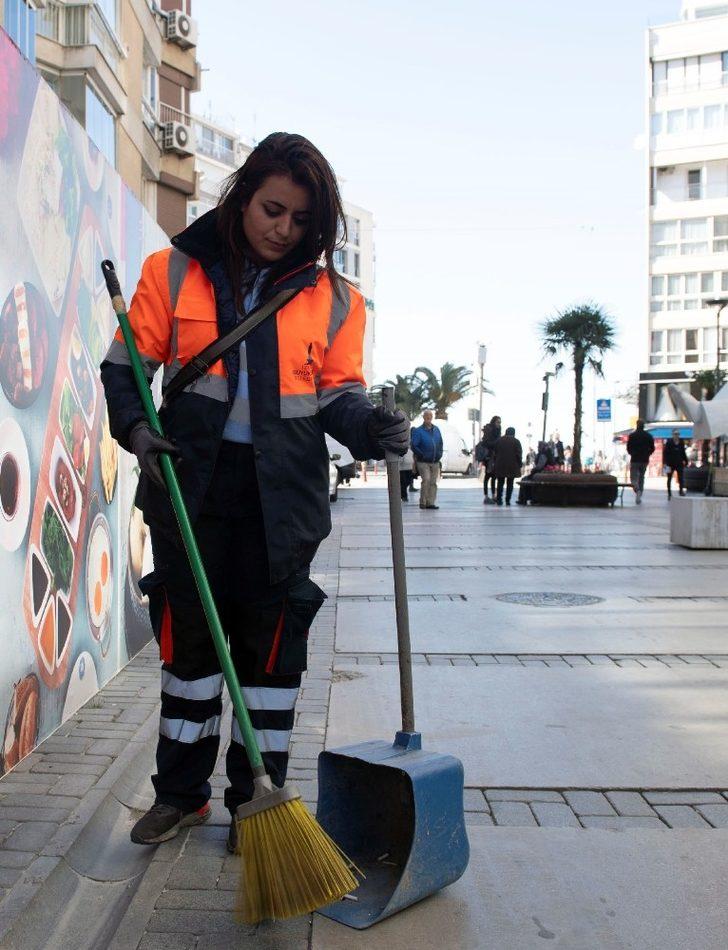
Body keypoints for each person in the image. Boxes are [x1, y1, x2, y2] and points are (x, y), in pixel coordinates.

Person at [100, 133, 409, 850]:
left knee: (270, 665)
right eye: (273, 209)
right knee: (191, 657)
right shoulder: (171, 272)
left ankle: (255, 801)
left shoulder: (334, 299)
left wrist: (372, 428)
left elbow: (338, 396)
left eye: (302, 220)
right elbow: (125, 370)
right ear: (242, 197)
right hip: (190, 492)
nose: (284, 228)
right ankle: (180, 795)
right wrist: (137, 433)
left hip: (284, 506)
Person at [411, 410, 443, 509]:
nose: (428, 417)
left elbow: (440, 443)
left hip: (435, 461)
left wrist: (439, 454)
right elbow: (414, 445)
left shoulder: (436, 429)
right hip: (423, 461)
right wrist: (422, 455)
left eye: (430, 416)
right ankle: (423, 502)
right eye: (426, 416)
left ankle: (431, 502)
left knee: (433, 482)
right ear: (423, 417)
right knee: (426, 480)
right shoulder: (418, 431)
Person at [626, 419, 655, 504]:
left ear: (637, 425)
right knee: (642, 477)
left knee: (633, 478)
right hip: (644, 460)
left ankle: (637, 489)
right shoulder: (648, 436)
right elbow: (652, 448)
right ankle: (640, 492)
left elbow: (628, 448)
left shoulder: (632, 436)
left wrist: (632, 453)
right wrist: (648, 454)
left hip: (635, 459)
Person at [493, 426, 523, 506]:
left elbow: (494, 453)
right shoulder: (516, 442)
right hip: (512, 466)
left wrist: (495, 462)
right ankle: (508, 500)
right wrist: (520, 464)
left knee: (500, 483)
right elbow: (519, 454)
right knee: (510, 483)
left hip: (500, 465)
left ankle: (499, 500)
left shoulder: (499, 440)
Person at [478, 415, 501, 502]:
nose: (499, 424)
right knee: (488, 476)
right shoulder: (489, 430)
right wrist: (496, 442)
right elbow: (486, 443)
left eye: (500, 422)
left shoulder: (498, 431)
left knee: (494, 477)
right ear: (494, 422)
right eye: (498, 422)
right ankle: (486, 495)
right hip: (488, 457)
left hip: (495, 457)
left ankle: (493, 495)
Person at [663, 429, 688, 499]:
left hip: (679, 462)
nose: (676, 436)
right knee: (669, 478)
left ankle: (681, 491)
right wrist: (665, 463)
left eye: (678, 434)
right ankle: (669, 493)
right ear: (672, 435)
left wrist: (686, 460)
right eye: (675, 434)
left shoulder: (681, 442)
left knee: (681, 477)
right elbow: (665, 453)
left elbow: (683, 452)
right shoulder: (669, 442)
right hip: (670, 463)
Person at [399, 437, 415, 502]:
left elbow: (413, 458)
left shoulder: (410, 450)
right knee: (403, 483)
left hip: (409, 468)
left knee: (408, 481)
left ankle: (402, 493)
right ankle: (404, 496)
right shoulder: (400, 449)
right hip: (401, 468)